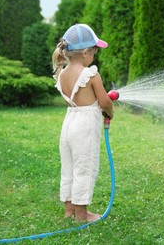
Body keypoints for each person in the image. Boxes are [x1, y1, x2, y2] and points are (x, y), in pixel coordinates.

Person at [52, 24, 114, 222]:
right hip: (85, 125)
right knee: (84, 167)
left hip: (70, 120)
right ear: (86, 53)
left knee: (69, 165)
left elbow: (69, 100)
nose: (94, 57)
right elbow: (104, 101)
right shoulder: (91, 74)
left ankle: (69, 210)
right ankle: (81, 215)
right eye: (94, 52)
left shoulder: (62, 74)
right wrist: (109, 111)